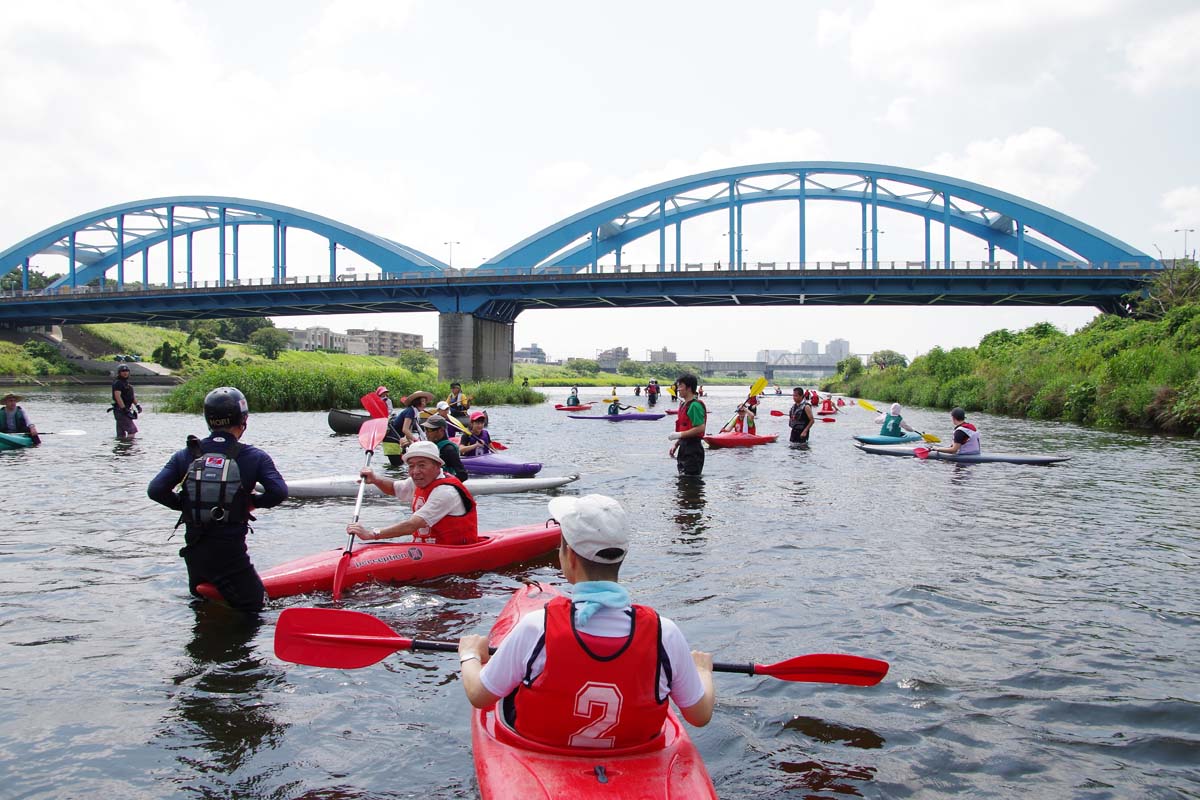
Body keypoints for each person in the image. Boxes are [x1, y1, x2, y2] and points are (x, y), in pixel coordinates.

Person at [457, 494, 715, 748]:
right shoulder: (665, 633)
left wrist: (469, 655)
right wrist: (702, 671)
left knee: (515, 686)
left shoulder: (537, 627)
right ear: (622, 556)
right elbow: (699, 716)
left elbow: (480, 696)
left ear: (569, 557)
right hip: (633, 753)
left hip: (541, 749)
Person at [147, 387, 287, 613]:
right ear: (244, 420)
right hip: (230, 555)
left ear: (208, 420)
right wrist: (249, 503)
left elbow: (155, 490)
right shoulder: (254, 456)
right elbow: (279, 492)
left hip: (195, 552)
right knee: (255, 611)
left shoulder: (186, 454)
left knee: (204, 610)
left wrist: (186, 506)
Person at [346, 440, 479, 546]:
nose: (415, 471)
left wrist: (371, 534)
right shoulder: (419, 481)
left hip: (453, 551)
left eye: (422, 465)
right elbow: (393, 488)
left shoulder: (446, 492)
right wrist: (375, 479)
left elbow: (412, 525)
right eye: (411, 466)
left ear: (437, 466)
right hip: (426, 549)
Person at [667, 373, 706, 476]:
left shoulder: (694, 405)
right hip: (684, 447)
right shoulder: (683, 404)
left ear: (688, 388)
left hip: (693, 449)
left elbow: (700, 428)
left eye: (680, 386)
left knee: (691, 480)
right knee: (683, 480)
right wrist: (676, 445)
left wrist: (679, 435)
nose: (678, 389)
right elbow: (684, 426)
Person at [384, 390, 433, 467]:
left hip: (398, 441)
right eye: (423, 401)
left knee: (403, 464)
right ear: (417, 402)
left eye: (425, 401)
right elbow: (405, 429)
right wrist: (416, 441)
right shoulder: (410, 411)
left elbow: (408, 432)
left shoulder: (414, 412)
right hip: (392, 441)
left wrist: (411, 444)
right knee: (397, 466)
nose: (425, 404)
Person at [422, 415, 469, 482]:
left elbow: (462, 475)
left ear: (441, 430)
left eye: (429, 429)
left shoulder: (449, 449)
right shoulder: (432, 446)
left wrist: (444, 485)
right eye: (425, 429)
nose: (426, 432)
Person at [111, 364, 140, 438]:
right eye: (123, 371)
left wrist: (137, 405)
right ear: (119, 373)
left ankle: (122, 448)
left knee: (121, 434)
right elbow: (118, 396)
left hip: (125, 410)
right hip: (120, 411)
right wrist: (124, 409)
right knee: (132, 430)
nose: (125, 372)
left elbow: (131, 396)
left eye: (127, 371)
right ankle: (130, 447)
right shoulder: (118, 383)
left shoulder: (128, 385)